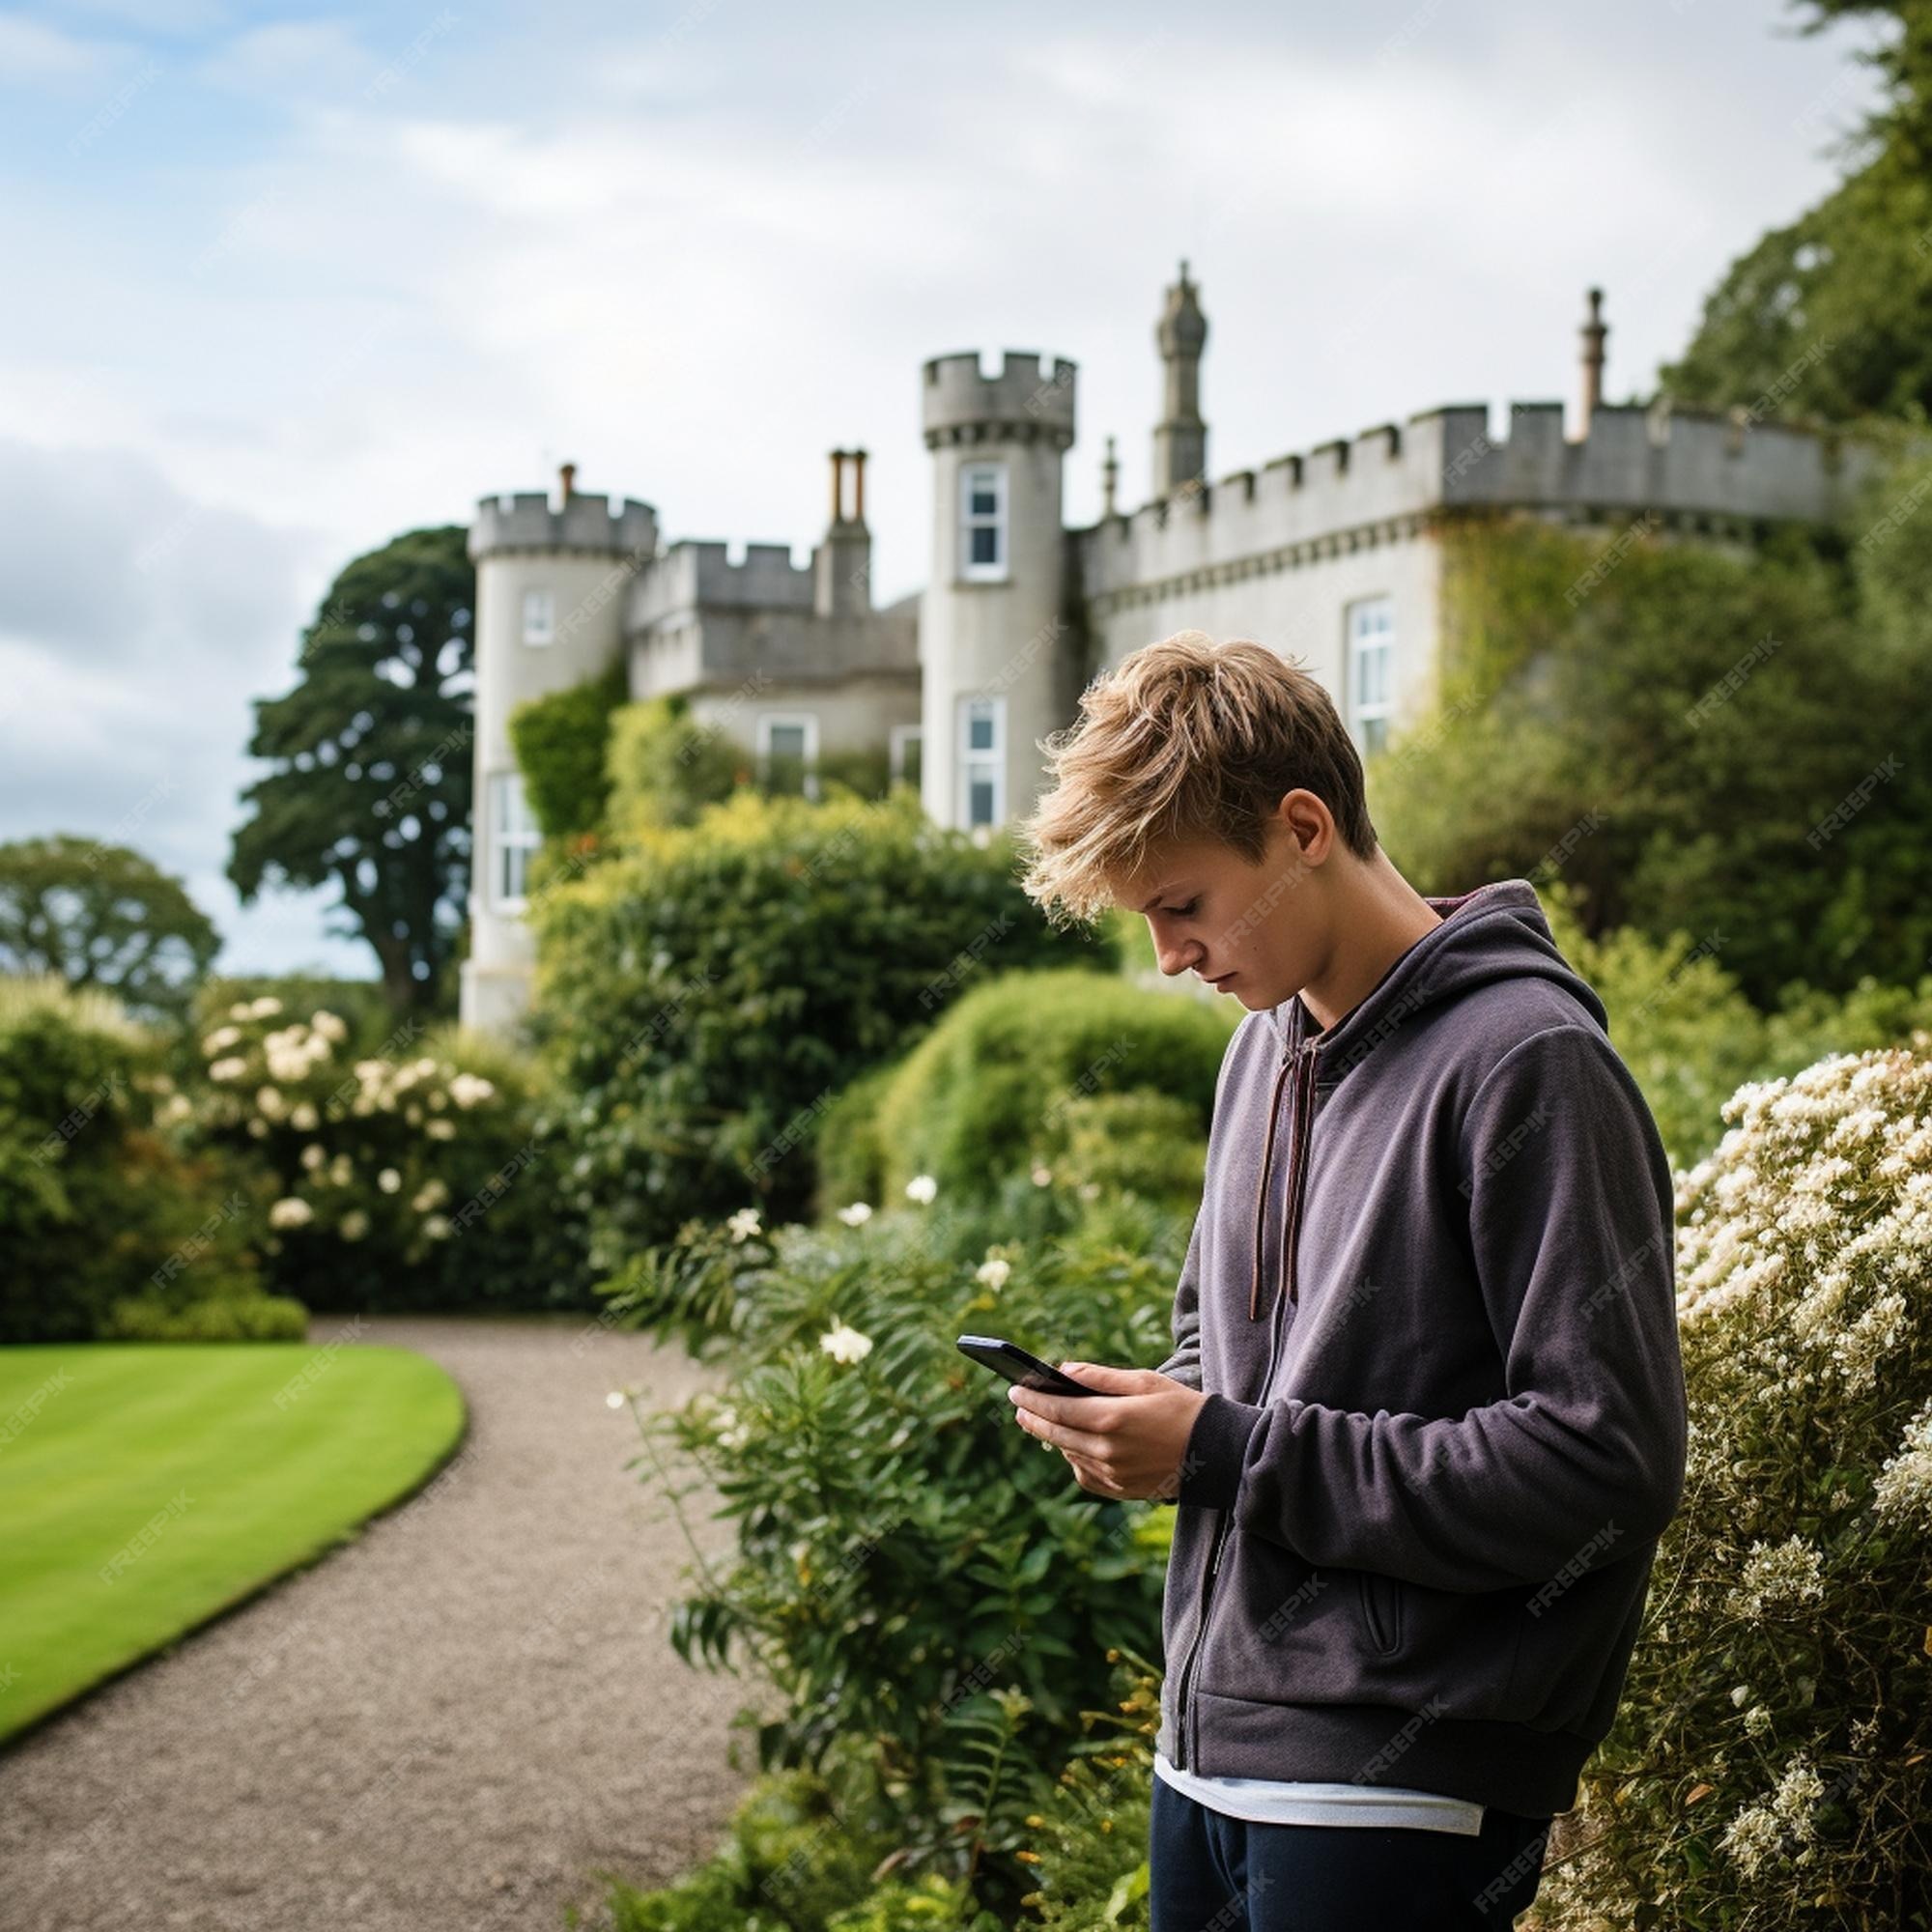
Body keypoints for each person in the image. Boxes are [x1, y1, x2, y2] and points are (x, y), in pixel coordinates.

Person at [1005, 630, 1689, 1929]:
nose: (1166, 957)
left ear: (1303, 828)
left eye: (1184, 906)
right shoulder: (1258, 1057)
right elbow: (1228, 1369)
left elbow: (1607, 1461)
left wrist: (1224, 1453)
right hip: (1205, 1754)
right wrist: (1149, 1422)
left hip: (1402, 1783)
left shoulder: (1528, 1063)